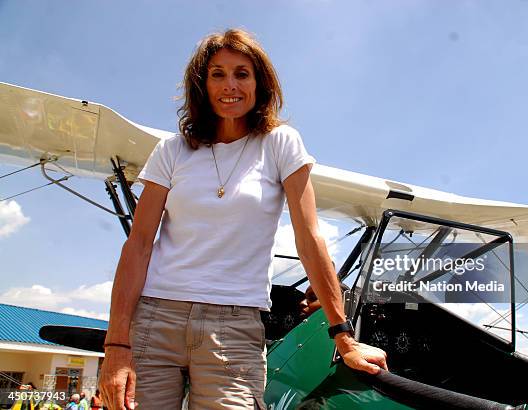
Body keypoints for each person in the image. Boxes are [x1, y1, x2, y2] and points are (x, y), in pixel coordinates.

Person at [99, 28, 387, 410]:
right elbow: (138, 245)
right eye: (217, 73)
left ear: (259, 83)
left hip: (234, 326)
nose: (229, 85)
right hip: (156, 318)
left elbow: (309, 238)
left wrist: (344, 338)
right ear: (202, 84)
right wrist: (116, 343)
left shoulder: (281, 143)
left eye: (242, 73)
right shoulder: (172, 150)